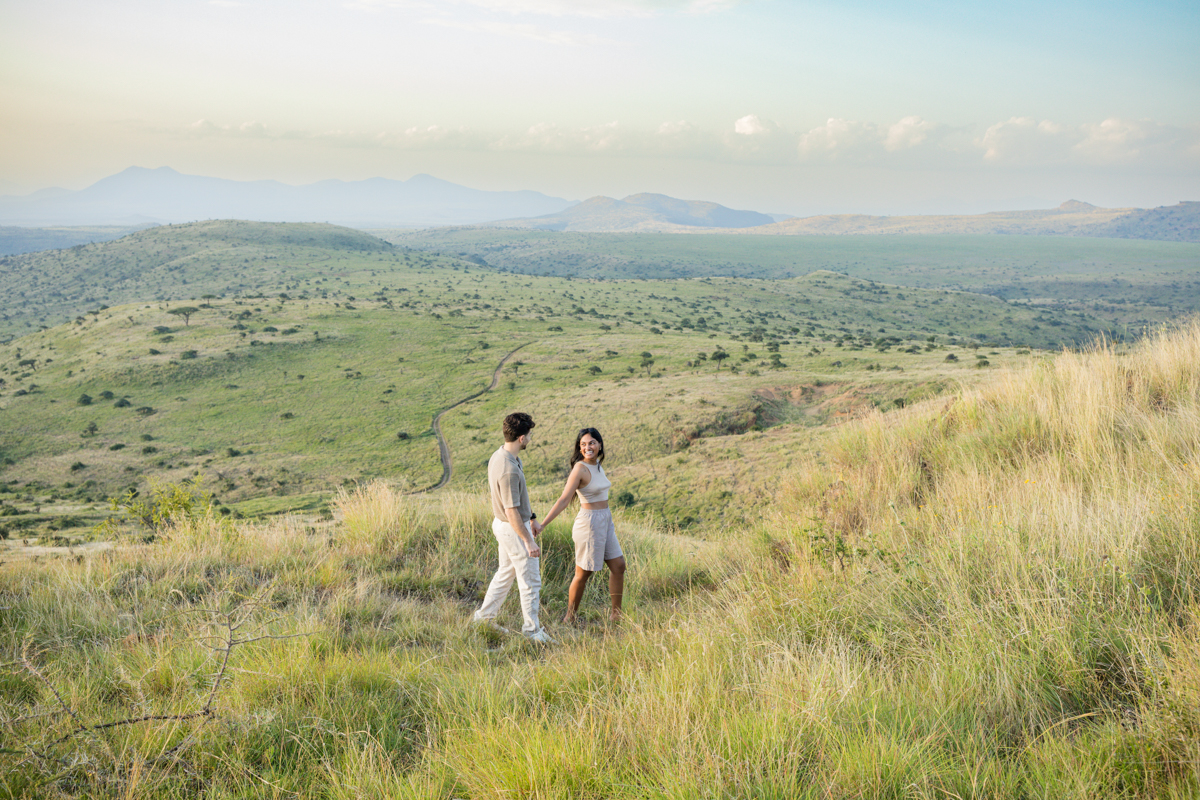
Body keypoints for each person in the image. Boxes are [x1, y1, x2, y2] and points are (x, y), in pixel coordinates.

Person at [473, 412, 553, 643]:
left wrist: (533, 517)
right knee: (530, 580)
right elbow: (511, 509)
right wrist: (528, 540)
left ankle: (484, 618)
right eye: (529, 435)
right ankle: (532, 631)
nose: (530, 438)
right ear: (521, 438)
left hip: (504, 524)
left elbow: (517, 500)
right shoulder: (509, 469)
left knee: (505, 573)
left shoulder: (500, 455)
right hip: (511, 526)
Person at [539, 427, 627, 624]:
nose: (588, 447)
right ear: (579, 448)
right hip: (589, 523)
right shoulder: (580, 468)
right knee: (583, 573)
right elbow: (564, 499)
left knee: (619, 565)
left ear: (599, 444)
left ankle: (616, 615)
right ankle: (569, 617)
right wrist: (543, 524)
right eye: (583, 444)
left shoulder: (597, 465)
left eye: (592, 443)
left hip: (605, 519)